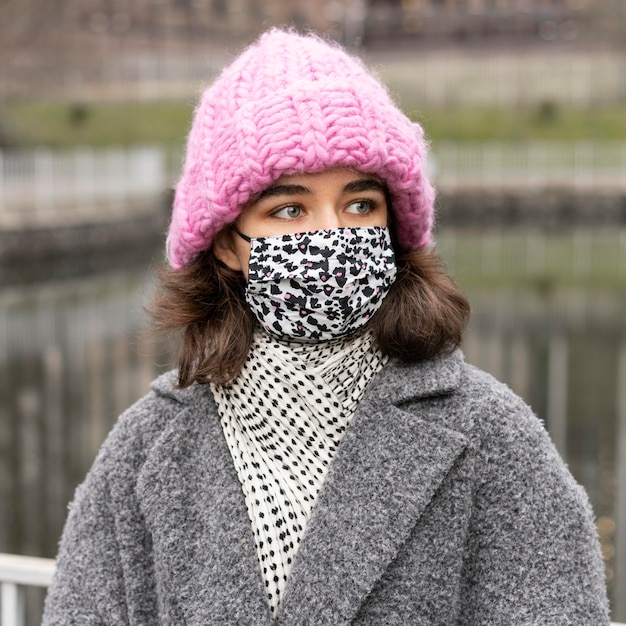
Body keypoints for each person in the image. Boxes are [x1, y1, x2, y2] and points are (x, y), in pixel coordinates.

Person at [43, 29, 609, 625]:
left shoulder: (492, 435)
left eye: (360, 204)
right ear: (226, 243)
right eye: (289, 209)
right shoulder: (144, 448)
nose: (332, 233)